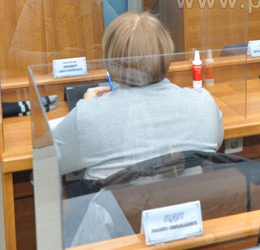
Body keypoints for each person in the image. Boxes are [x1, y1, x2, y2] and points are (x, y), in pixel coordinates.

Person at [53, 12, 223, 181]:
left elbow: (47, 164)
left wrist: (88, 107)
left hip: (117, 200)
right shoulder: (204, 103)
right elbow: (216, 142)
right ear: (166, 53)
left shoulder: (87, 116)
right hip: (189, 198)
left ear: (110, 62)